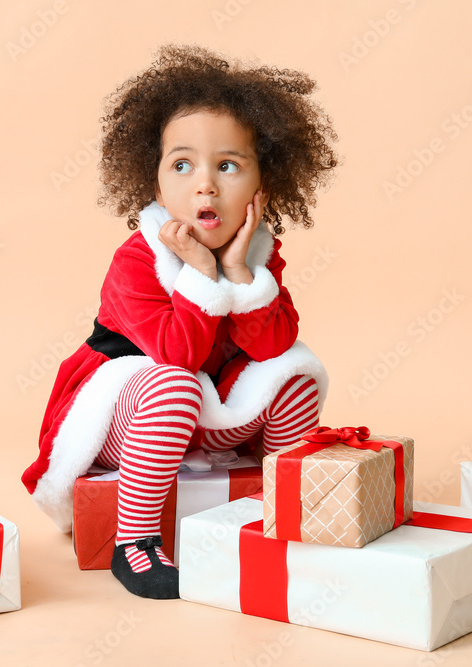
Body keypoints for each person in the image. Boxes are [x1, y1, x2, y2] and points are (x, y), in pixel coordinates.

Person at [22, 44, 338, 599]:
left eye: (229, 165)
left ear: (263, 189)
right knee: (172, 382)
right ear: (156, 184)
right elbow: (180, 357)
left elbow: (272, 344)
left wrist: (238, 271)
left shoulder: (259, 256)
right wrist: (198, 274)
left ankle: (285, 510)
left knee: (294, 371)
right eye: (183, 164)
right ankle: (136, 543)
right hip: (131, 420)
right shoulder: (138, 260)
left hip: (207, 422)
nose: (206, 185)